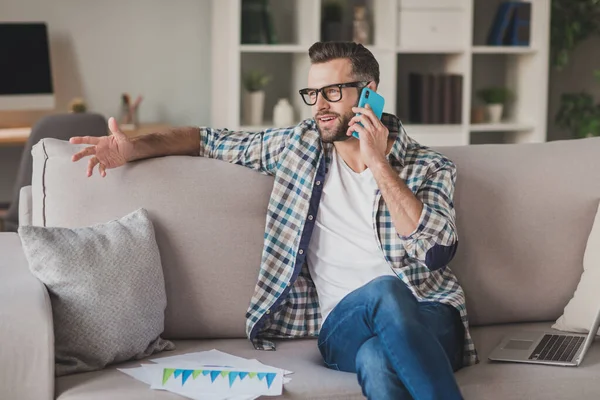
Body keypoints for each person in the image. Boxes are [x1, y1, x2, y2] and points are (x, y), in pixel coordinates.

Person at [71, 41, 478, 399]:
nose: (319, 105)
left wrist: (377, 161)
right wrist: (134, 148)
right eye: (313, 93)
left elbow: (435, 252)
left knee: (376, 356)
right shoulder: (296, 147)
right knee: (382, 296)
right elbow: (206, 139)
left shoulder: (429, 166)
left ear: (369, 95)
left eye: (332, 92)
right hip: (343, 324)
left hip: (430, 315)